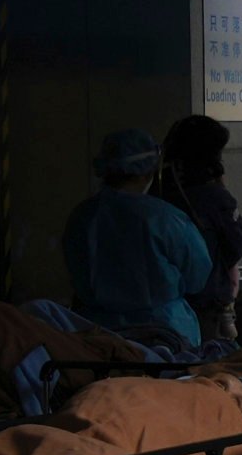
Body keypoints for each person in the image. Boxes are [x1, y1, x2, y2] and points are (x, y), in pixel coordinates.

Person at [61, 128, 210, 351]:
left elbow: (76, 269)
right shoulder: (165, 218)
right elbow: (198, 275)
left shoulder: (84, 217)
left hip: (96, 335)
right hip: (164, 334)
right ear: (146, 171)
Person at [159, 115, 242, 347]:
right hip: (203, 308)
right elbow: (235, 244)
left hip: (161, 313)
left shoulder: (158, 195)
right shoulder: (214, 199)